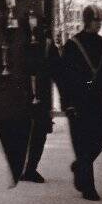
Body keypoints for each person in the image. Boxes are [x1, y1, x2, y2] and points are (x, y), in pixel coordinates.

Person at [57, 5, 102, 201]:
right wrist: (67, 103)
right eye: (96, 21)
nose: (99, 25)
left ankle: (80, 166)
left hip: (96, 100)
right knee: (83, 144)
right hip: (78, 102)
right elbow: (64, 77)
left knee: (100, 139)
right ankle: (88, 187)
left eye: (100, 21)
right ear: (87, 21)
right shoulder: (73, 44)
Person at [20, 16, 60, 183]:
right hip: (24, 94)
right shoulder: (20, 42)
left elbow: (57, 70)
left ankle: (29, 168)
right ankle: (25, 167)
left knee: (38, 131)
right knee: (27, 132)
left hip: (39, 95)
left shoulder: (48, 45)